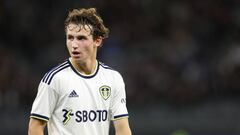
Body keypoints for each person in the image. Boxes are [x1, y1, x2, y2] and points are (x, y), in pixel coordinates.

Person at [28, 8, 132, 135]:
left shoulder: (113, 78)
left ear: (97, 40)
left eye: (81, 38)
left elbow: (122, 128)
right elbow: (35, 127)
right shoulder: (54, 79)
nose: (74, 44)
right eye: (70, 38)